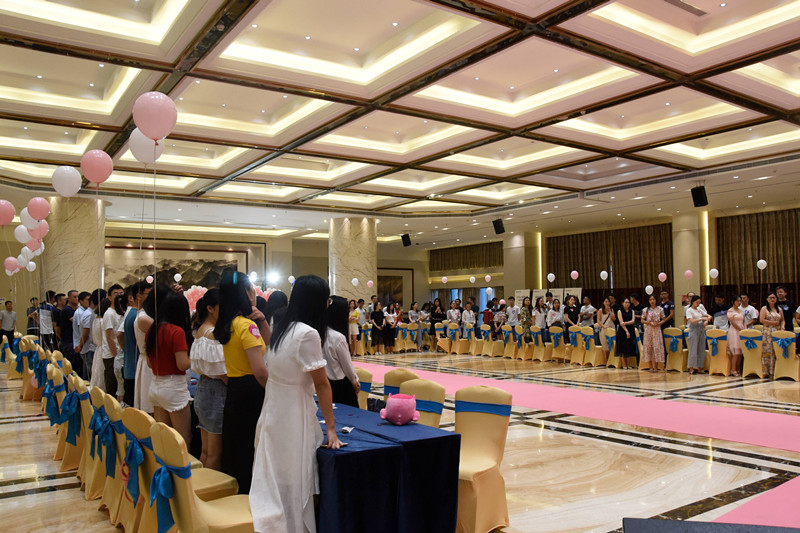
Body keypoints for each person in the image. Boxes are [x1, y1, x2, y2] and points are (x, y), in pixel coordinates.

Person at [250, 275, 342, 532]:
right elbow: (322, 384)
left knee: (280, 475)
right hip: (292, 413)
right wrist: (331, 429)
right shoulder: (307, 333)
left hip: (275, 408)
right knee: (296, 475)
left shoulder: (283, 327)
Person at [217, 270, 269, 494]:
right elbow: (260, 371)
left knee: (235, 445)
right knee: (250, 446)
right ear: (246, 293)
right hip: (252, 391)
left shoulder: (229, 323)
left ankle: (235, 493)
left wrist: (262, 320)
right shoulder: (247, 326)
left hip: (234, 388)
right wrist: (275, 392)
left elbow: (269, 342)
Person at [146, 291, 194, 448]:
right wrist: (196, 358)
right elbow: (182, 364)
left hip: (155, 385)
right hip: (174, 387)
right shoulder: (177, 331)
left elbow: (149, 363)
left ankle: (162, 464)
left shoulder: (152, 330)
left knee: (162, 437)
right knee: (182, 439)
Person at [190, 288, 226, 471]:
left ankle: (202, 484)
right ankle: (211, 485)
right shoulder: (212, 334)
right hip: (215, 391)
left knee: (206, 450)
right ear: (210, 308)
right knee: (214, 453)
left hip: (204, 388)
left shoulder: (201, 330)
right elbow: (222, 372)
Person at [324, 295, 359, 407]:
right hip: (341, 387)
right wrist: (355, 382)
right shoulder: (338, 338)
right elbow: (347, 366)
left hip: (325, 384)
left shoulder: (320, 333)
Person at [101, 294, 123, 394]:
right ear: (109, 297)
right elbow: (109, 337)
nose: (119, 295)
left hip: (117, 353)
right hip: (111, 354)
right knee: (112, 385)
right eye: (116, 293)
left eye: (121, 293)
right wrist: (116, 356)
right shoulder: (109, 313)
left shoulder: (119, 312)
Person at [760, 292, 784, 378]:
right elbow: (762, 320)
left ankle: (775, 370)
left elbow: (782, 320)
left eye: (774, 297)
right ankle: (766, 371)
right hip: (767, 331)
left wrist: (782, 326)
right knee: (767, 350)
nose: (772, 299)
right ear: (767, 299)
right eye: (770, 297)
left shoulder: (779, 309)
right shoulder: (764, 308)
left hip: (777, 331)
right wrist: (773, 323)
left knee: (776, 350)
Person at [58, 291, 81, 377]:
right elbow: (77, 323)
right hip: (68, 342)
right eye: (74, 297)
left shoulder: (75, 310)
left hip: (73, 341)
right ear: (69, 298)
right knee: (71, 367)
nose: (77, 299)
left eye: (78, 297)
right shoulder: (67, 310)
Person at [686, 295, 710, 374]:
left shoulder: (699, 309)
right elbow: (691, 321)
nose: (698, 304)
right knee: (693, 349)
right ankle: (691, 367)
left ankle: (700, 367)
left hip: (701, 329)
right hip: (694, 330)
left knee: (701, 349)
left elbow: (708, 316)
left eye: (699, 303)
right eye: (697, 302)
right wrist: (701, 319)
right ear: (693, 302)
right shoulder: (689, 310)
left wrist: (707, 320)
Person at [641, 295, 665, 372]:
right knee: (649, 347)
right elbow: (642, 320)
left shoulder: (660, 309)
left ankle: (656, 366)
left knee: (656, 347)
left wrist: (659, 323)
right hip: (649, 330)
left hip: (657, 330)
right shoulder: (646, 310)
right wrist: (649, 323)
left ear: (656, 300)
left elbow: (663, 319)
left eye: (653, 299)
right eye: (650, 300)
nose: (652, 301)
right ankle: (650, 366)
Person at [616, 298, 637, 369]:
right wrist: (626, 331)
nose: (627, 304)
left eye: (628, 302)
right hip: (622, 330)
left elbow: (633, 321)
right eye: (625, 302)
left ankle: (629, 364)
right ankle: (624, 364)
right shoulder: (619, 311)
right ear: (622, 303)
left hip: (631, 329)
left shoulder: (632, 311)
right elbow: (621, 322)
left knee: (629, 347)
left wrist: (625, 323)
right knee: (622, 348)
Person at [727, 296, 745, 377]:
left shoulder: (741, 311)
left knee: (740, 351)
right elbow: (733, 322)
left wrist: (744, 330)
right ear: (733, 301)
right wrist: (740, 329)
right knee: (735, 351)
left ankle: (738, 369)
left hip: (742, 330)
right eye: (737, 301)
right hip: (734, 331)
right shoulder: (730, 311)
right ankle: (733, 369)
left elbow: (744, 321)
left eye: (740, 301)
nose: (739, 302)